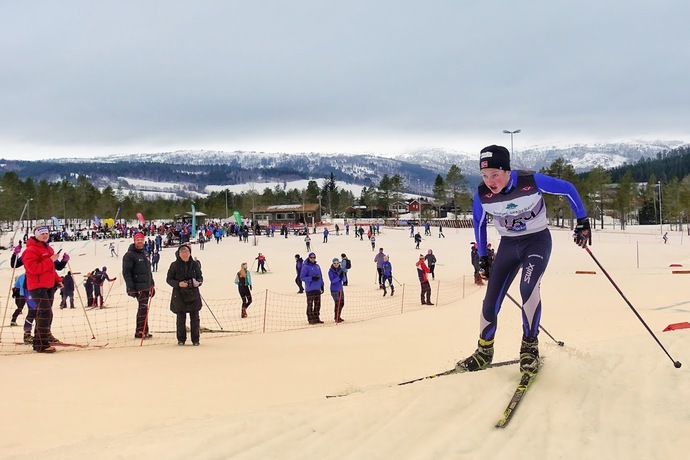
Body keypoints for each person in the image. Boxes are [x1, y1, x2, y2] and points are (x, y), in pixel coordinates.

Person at [456, 144, 589, 377]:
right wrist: (483, 257)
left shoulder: (530, 181)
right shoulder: (483, 195)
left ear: (508, 171)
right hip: (508, 245)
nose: (490, 181)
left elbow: (567, 189)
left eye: (495, 174)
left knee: (527, 287)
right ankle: (484, 352)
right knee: (490, 301)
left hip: (536, 242)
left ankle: (529, 348)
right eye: (485, 175)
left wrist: (582, 222)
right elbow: (478, 224)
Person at [22, 225, 66, 353]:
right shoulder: (30, 250)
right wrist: (49, 260)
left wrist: (57, 280)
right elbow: (33, 269)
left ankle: (38, 341)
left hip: (49, 286)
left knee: (45, 313)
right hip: (37, 286)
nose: (45, 236)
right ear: (36, 235)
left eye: (46, 233)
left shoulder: (49, 249)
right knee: (45, 313)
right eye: (42, 234)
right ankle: (42, 343)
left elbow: (51, 269)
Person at [166, 243, 203, 346]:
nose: (184, 254)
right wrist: (178, 284)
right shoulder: (174, 265)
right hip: (179, 294)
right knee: (180, 318)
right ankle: (181, 339)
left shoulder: (195, 264)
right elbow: (169, 279)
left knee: (195, 318)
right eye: (182, 252)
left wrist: (198, 282)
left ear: (190, 253)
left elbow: (200, 277)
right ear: (179, 254)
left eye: (186, 252)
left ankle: (195, 339)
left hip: (193, 293)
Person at [123, 231, 156, 339]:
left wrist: (152, 284)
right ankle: (140, 331)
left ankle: (145, 330)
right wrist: (130, 287)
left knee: (144, 308)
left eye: (141, 240)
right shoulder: (129, 255)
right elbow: (126, 272)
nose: (140, 242)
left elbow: (148, 271)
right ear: (134, 241)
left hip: (146, 285)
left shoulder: (145, 253)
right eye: (138, 240)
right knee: (142, 308)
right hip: (138, 287)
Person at [299, 252, 324, 324]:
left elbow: (320, 276)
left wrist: (322, 285)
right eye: (311, 258)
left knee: (318, 304)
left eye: (314, 258)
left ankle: (316, 317)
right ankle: (310, 319)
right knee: (310, 304)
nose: (313, 259)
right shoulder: (305, 266)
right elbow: (302, 277)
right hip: (310, 289)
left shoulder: (317, 266)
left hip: (317, 288)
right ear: (309, 258)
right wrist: (311, 278)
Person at [328, 258, 345, 323]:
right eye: (334, 263)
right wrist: (339, 277)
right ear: (332, 263)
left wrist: (342, 276)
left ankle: (338, 316)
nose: (336, 264)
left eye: (337, 263)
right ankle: (336, 317)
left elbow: (344, 280)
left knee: (342, 303)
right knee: (337, 303)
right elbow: (332, 281)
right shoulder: (330, 271)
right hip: (334, 290)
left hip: (340, 289)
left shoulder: (341, 270)